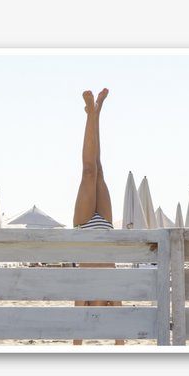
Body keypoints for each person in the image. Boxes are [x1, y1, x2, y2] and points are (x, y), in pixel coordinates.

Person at [73, 89, 124, 346]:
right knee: (100, 168)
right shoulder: (112, 299)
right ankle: (97, 114)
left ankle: (90, 115)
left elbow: (76, 339)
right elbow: (121, 340)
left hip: (84, 226)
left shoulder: (85, 299)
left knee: (89, 172)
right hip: (104, 226)